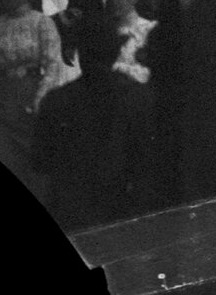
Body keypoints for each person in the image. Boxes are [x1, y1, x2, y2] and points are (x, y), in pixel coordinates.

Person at [31, 12, 161, 233]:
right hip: (122, 211)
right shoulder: (137, 97)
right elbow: (147, 165)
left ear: (81, 53)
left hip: (71, 213)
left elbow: (41, 164)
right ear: (116, 51)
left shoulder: (57, 100)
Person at [0, 0, 67, 186]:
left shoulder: (41, 22)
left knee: (32, 164)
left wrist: (40, 99)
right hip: (2, 100)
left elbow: (53, 64)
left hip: (31, 97)